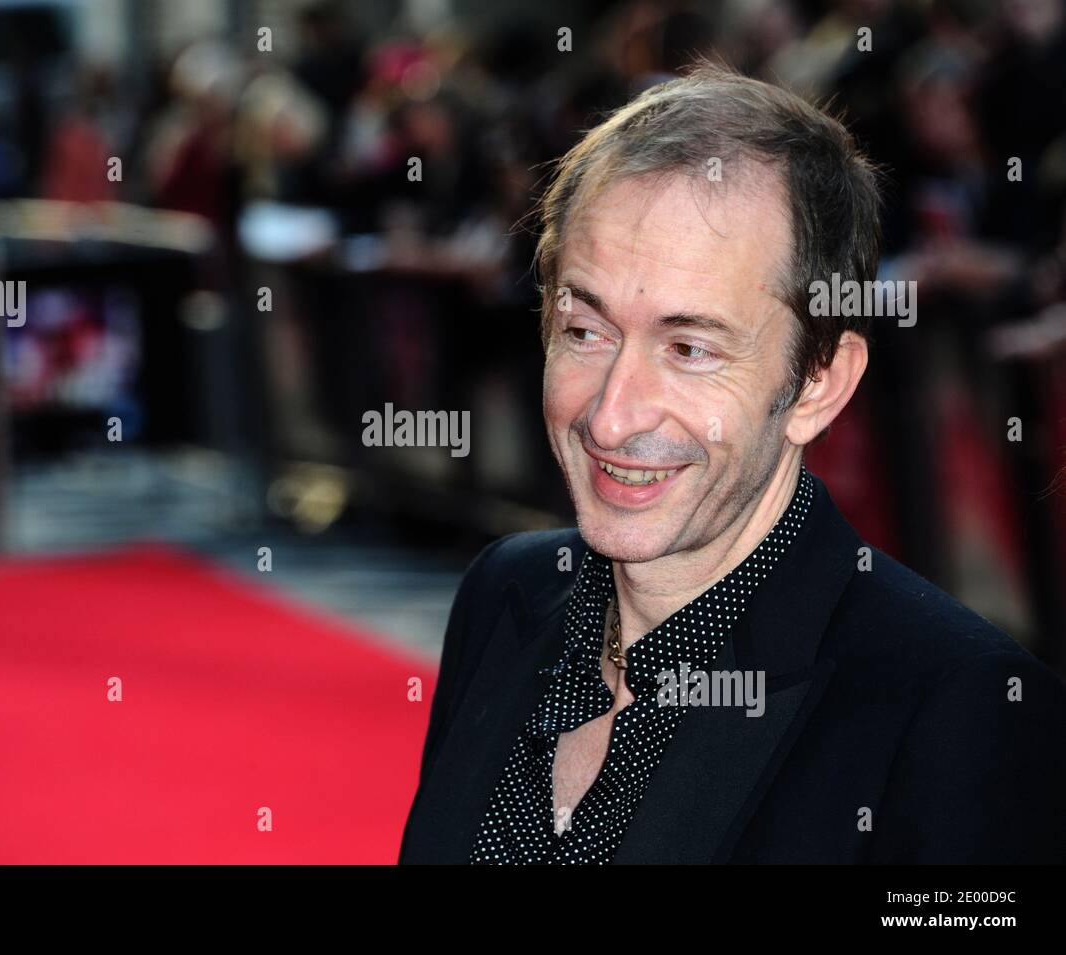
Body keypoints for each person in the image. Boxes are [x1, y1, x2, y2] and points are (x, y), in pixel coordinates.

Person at [398, 63, 1066, 864]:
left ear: (820, 383)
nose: (611, 413)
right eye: (586, 331)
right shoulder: (504, 594)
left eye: (689, 349)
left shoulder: (957, 710)